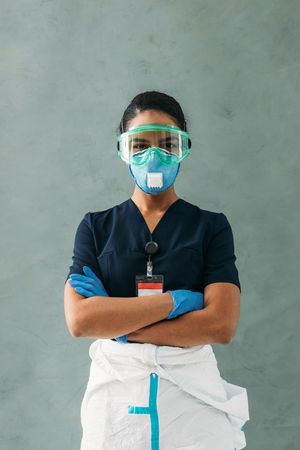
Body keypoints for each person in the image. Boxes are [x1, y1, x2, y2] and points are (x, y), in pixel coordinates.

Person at [64, 90, 250, 450]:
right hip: (115, 400)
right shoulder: (95, 227)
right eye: (139, 144)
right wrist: (176, 302)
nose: (153, 156)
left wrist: (119, 325)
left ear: (185, 148)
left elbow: (221, 325)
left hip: (192, 404)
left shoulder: (211, 227)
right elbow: (81, 322)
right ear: (122, 150)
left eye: (168, 143)